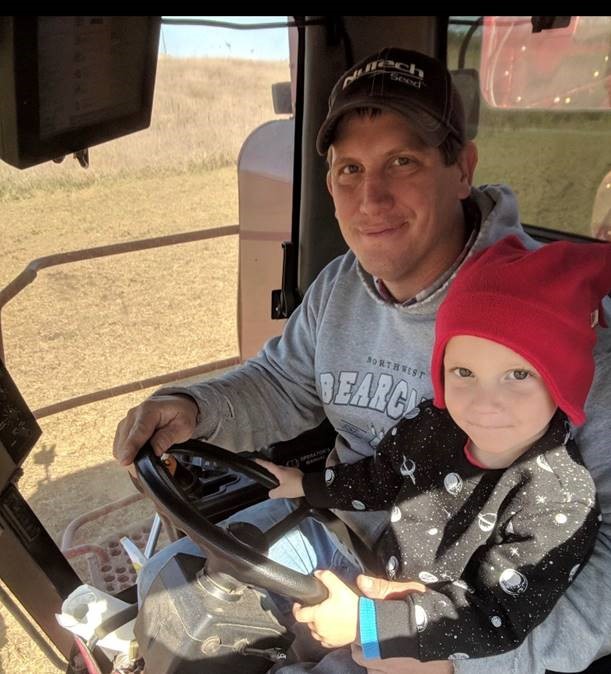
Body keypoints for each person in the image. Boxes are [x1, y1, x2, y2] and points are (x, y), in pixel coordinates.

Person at [113, 47, 611, 674]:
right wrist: (192, 408)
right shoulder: (340, 285)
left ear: (462, 169)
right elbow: (280, 382)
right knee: (174, 590)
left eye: (401, 161)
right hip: (342, 528)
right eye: (350, 169)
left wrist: (453, 663)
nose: (371, 198)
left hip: (462, 598)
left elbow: (604, 559)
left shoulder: (553, 324)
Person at [256, 234, 609, 662]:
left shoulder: (559, 500)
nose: (484, 402)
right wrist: (306, 484)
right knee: (242, 562)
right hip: (373, 582)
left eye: (518, 375)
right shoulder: (434, 427)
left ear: (564, 380)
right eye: (464, 371)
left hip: (435, 645)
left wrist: (371, 623)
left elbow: (497, 616)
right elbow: (379, 478)